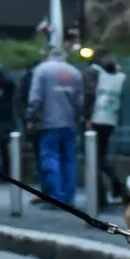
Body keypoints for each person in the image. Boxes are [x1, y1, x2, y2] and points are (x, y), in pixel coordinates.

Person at [25, 46, 84, 205]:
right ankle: (68, 196)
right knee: (69, 159)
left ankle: (56, 196)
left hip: (49, 123)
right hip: (69, 123)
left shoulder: (42, 71)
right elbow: (80, 102)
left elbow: (35, 98)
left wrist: (30, 117)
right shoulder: (75, 72)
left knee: (50, 158)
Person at [82, 49, 127, 203]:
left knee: (94, 157)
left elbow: (89, 94)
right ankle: (108, 190)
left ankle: (111, 189)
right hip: (110, 119)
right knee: (100, 155)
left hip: (95, 119)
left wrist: (86, 117)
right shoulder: (114, 75)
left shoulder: (92, 73)